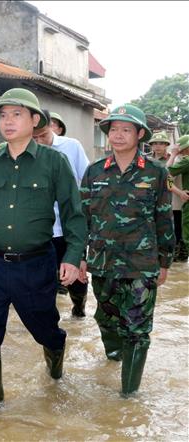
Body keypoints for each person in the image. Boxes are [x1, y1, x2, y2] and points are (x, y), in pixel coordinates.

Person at [0, 88, 85, 407]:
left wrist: (74, 257)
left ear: (35, 120)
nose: (7, 121)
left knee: (44, 328)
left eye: (16, 114)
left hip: (35, 265)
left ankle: (56, 356)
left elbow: (74, 212)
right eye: (3, 115)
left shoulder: (54, 161)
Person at [79, 104, 175, 397]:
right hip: (102, 261)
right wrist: (79, 258)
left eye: (126, 129)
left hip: (141, 262)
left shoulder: (156, 172)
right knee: (105, 319)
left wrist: (164, 262)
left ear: (140, 135)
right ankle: (114, 357)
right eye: (113, 129)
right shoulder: (94, 172)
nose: (118, 135)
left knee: (137, 329)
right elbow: (82, 218)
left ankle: (128, 395)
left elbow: (163, 217)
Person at [32, 109, 90, 317]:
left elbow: (87, 180)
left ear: (52, 129)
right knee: (43, 279)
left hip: (68, 226)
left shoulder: (71, 146)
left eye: (43, 136)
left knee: (76, 275)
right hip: (40, 229)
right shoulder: (25, 152)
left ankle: (79, 307)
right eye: (34, 137)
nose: (39, 141)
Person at [153, 132, 189, 262]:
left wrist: (179, 192)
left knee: (178, 233)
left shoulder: (178, 159)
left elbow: (167, 178)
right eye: (155, 143)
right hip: (155, 203)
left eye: (161, 143)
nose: (157, 146)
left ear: (167, 145)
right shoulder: (148, 161)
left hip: (176, 202)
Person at [168, 135, 189, 256]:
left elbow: (166, 175)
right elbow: (167, 178)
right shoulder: (180, 160)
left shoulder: (183, 161)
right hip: (178, 202)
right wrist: (178, 192)